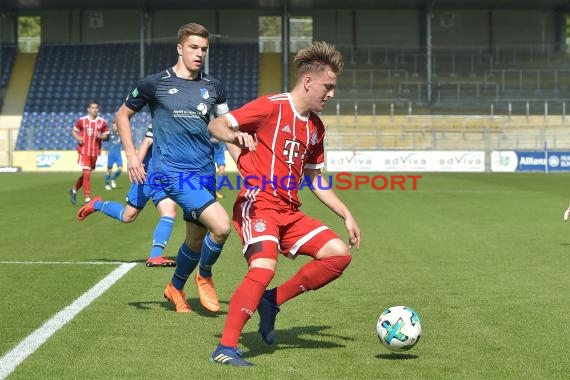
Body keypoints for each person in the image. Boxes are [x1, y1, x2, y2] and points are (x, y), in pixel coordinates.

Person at [208, 41, 361, 366]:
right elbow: (217, 125)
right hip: (257, 203)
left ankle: (271, 301)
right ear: (308, 81)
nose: (332, 94)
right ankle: (225, 347)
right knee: (263, 266)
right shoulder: (271, 106)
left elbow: (315, 178)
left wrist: (345, 213)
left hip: (289, 211)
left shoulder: (316, 128)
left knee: (337, 254)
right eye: (328, 87)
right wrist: (235, 137)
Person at [115, 22, 253, 314]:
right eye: (193, 47)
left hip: (204, 172)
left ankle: (175, 288)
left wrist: (246, 169)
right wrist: (132, 155)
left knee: (194, 238)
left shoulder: (213, 87)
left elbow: (226, 130)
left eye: (203, 49)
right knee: (222, 226)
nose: (199, 53)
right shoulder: (156, 83)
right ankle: (205, 275)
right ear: (180, 48)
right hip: (173, 172)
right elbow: (122, 115)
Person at [76, 124, 177, 267]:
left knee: (169, 212)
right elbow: (147, 142)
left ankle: (155, 256)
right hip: (146, 174)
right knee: (127, 216)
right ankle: (97, 204)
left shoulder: (186, 118)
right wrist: (138, 164)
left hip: (164, 178)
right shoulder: (160, 117)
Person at [68, 99, 109, 205]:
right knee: (86, 172)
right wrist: (78, 138)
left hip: (95, 152)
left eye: (96, 108)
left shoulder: (102, 122)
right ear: (88, 109)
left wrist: (101, 136)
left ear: (98, 109)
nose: (94, 110)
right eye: (92, 108)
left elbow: (106, 135)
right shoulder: (82, 120)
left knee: (87, 174)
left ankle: (73, 190)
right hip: (84, 151)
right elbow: (73, 131)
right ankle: (87, 198)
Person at [104, 120, 123, 190]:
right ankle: (106, 184)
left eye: (116, 125)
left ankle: (113, 178)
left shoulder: (120, 133)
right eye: (114, 126)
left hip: (118, 154)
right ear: (112, 126)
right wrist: (105, 149)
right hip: (111, 154)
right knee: (109, 170)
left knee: (120, 170)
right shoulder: (109, 133)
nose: (115, 127)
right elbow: (104, 140)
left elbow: (122, 142)